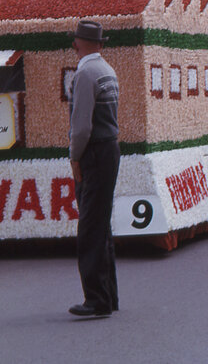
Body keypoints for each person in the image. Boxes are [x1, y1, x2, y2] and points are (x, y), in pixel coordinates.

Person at [67, 20, 120, 317]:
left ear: (78, 43)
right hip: (109, 148)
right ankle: (109, 294)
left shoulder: (85, 73)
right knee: (101, 225)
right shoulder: (106, 70)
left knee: (89, 228)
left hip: (94, 152)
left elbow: (81, 126)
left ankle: (96, 299)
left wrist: (75, 158)